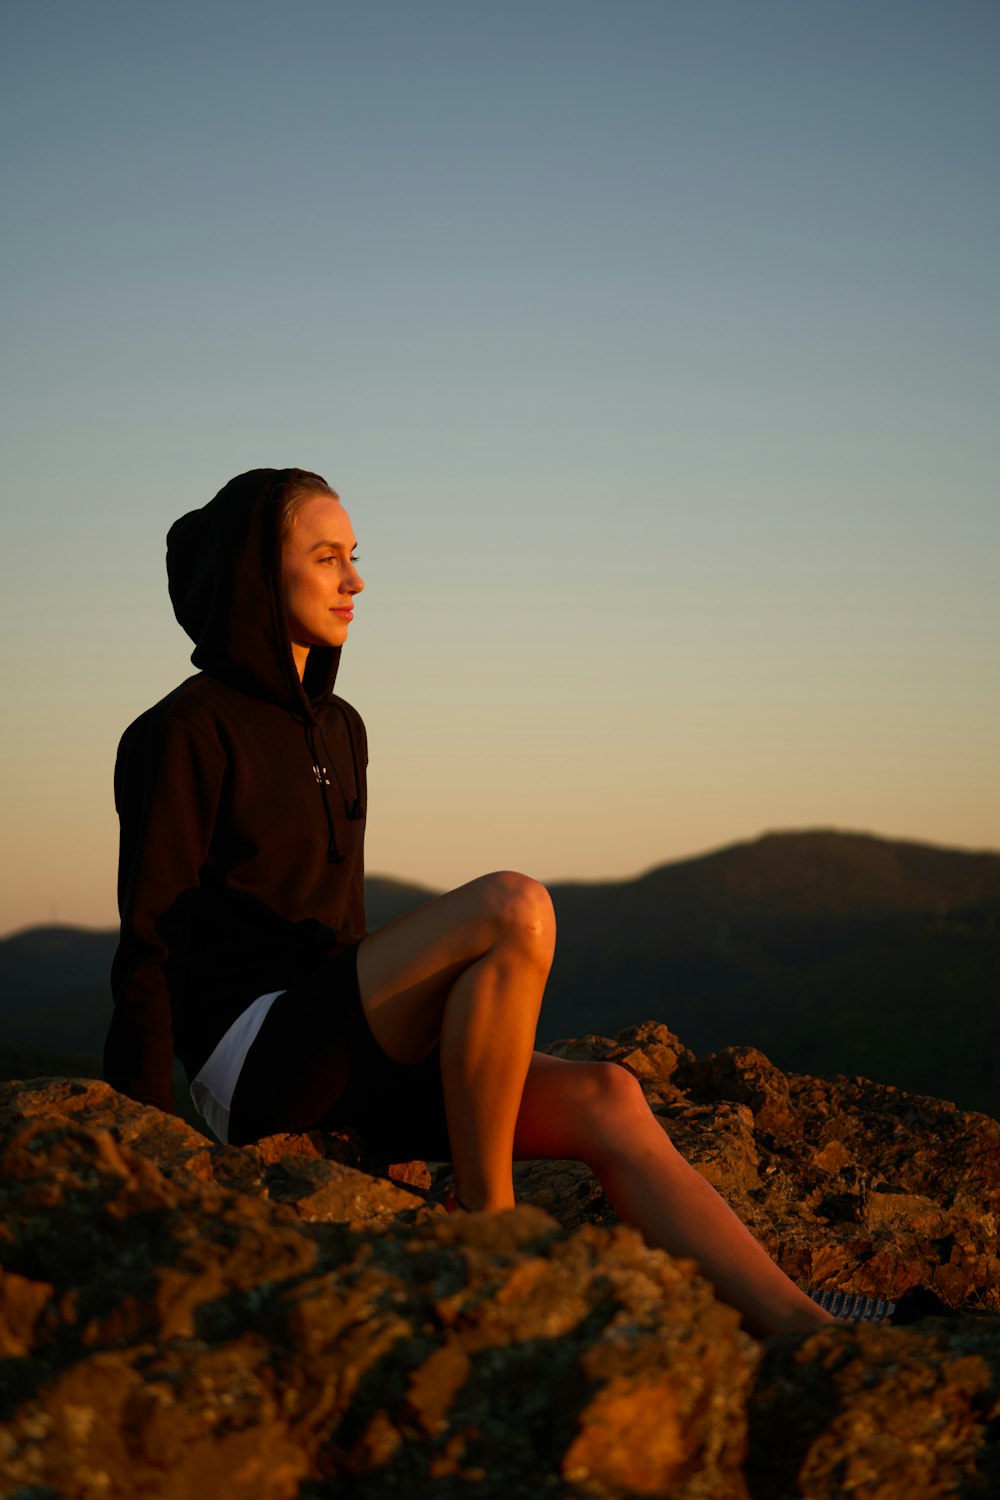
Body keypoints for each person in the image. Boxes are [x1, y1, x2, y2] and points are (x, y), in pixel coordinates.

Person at [105, 466, 834, 1339]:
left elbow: (346, 931)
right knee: (513, 905)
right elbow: (152, 940)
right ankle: (490, 1230)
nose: (355, 580)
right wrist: (141, 1142)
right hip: (253, 1059)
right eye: (328, 557)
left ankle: (810, 1334)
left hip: (340, 1040)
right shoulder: (183, 730)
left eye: (355, 556)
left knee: (610, 1097)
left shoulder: (342, 728)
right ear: (262, 574)